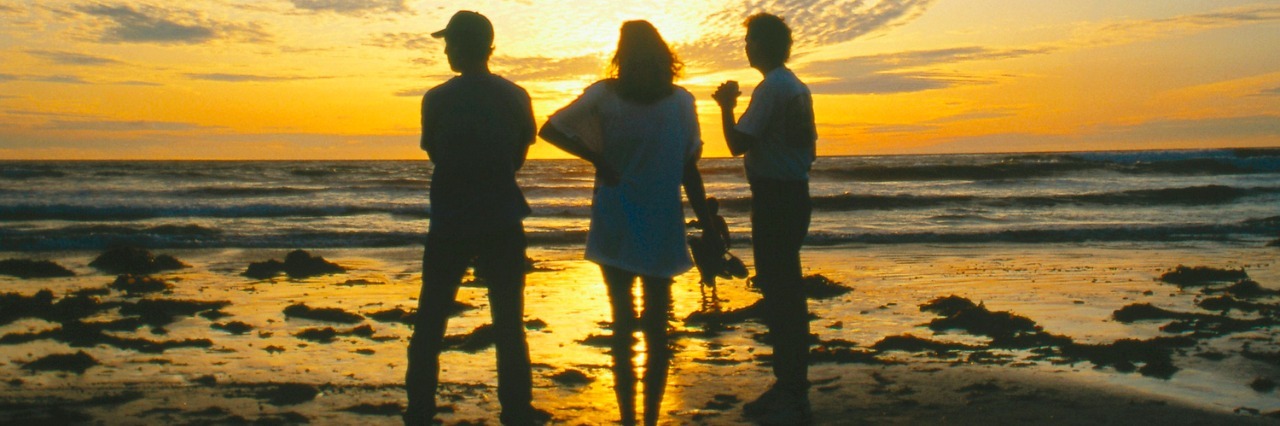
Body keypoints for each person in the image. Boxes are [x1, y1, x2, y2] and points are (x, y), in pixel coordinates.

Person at [539, 20, 719, 426]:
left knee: (623, 325)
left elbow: (550, 128)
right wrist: (705, 221)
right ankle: (649, 419)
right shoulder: (680, 101)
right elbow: (689, 167)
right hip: (659, 221)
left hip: (616, 218)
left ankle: (627, 418)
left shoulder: (606, 95)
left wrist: (598, 159)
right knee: (658, 328)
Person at [404, 10, 546, 426]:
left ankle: (419, 411)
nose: (445, 50)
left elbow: (434, 151)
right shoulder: (516, 95)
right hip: (501, 216)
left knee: (430, 321)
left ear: (466, 45)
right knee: (508, 325)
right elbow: (519, 155)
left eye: (449, 42)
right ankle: (516, 411)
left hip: (450, 220)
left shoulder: (437, 98)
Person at [711, 12, 818, 425]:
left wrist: (725, 107)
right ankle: (792, 382)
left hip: (775, 198)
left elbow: (737, 144)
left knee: (780, 291)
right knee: (786, 288)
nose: (746, 46)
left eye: (751, 40)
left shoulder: (772, 88)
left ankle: (789, 386)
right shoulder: (794, 87)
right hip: (793, 193)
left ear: (765, 45)